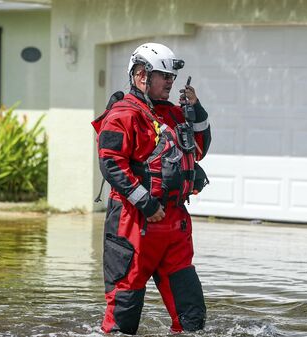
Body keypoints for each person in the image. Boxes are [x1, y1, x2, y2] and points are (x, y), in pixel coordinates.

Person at [91, 42, 211, 334]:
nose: (171, 82)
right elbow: (111, 164)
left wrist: (195, 108)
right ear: (142, 75)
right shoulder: (123, 114)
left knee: (192, 318)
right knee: (124, 313)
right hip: (135, 224)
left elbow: (199, 148)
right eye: (165, 77)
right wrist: (147, 204)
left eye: (172, 78)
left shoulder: (171, 113)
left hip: (174, 225)